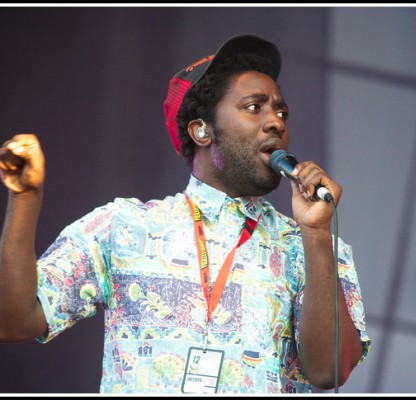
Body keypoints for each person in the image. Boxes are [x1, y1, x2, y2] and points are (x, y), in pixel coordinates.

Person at [0, 33, 370, 394]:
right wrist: (26, 199)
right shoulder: (124, 227)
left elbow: (330, 372)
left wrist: (316, 234)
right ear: (202, 131)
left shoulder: (312, 244)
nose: (276, 121)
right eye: (254, 107)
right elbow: (14, 320)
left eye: (280, 111)